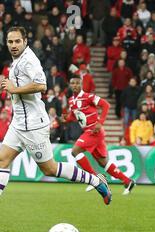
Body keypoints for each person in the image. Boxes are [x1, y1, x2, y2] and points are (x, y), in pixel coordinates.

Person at [0, 27, 111, 204]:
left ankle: (96, 180)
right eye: (10, 41)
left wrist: (14, 88)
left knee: (50, 169)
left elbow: (41, 85)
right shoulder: (16, 61)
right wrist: (7, 85)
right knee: (2, 161)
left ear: (25, 42)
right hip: (18, 123)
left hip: (33, 126)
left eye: (17, 41)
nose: (13, 45)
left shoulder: (29, 60)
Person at [66, 75, 136, 196]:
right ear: (70, 85)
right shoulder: (71, 101)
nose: (75, 85)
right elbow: (74, 116)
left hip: (94, 131)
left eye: (77, 83)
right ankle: (127, 181)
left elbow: (106, 105)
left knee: (75, 151)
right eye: (72, 83)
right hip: (89, 132)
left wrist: (100, 122)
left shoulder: (88, 96)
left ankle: (94, 179)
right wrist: (64, 119)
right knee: (103, 162)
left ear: (81, 84)